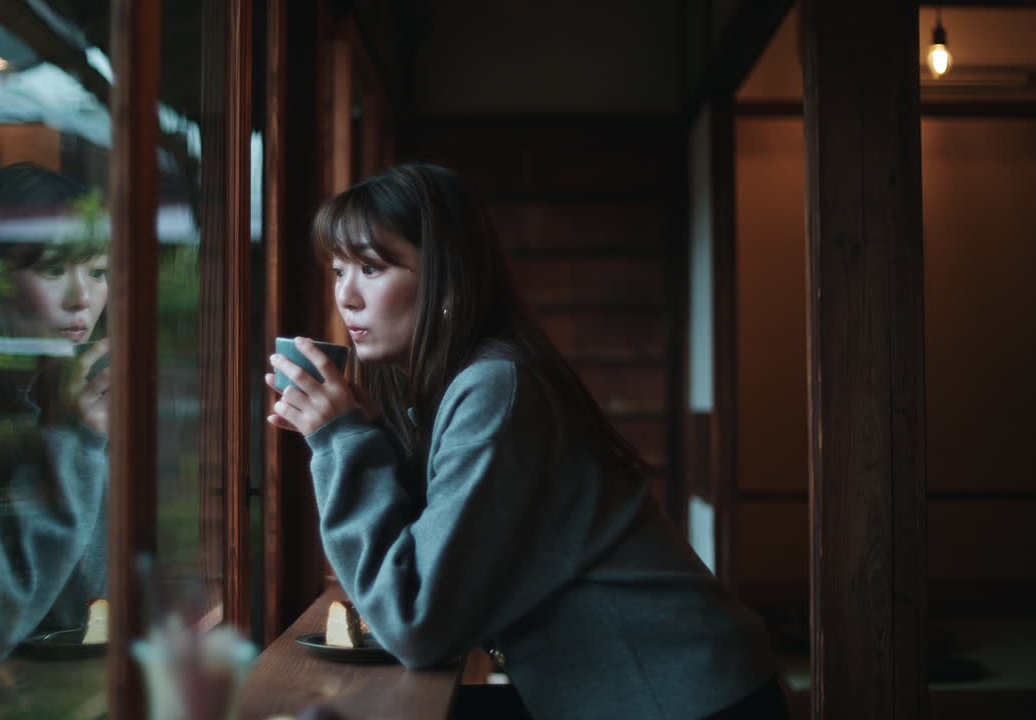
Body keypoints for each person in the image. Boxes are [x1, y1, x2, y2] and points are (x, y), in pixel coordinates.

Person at [265, 162, 786, 719]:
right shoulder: (465, 386)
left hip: (686, 700)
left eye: (370, 268)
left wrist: (341, 442)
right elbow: (436, 561)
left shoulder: (495, 386)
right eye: (338, 270)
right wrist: (371, 442)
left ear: (445, 278)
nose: (345, 296)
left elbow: (414, 619)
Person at [0, 162, 111, 662]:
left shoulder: (53, 390)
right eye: (53, 269)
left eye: (97, 271)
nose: (82, 298)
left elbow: (87, 607)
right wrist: (72, 439)